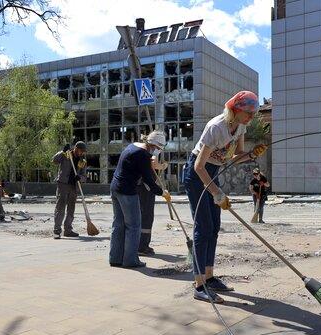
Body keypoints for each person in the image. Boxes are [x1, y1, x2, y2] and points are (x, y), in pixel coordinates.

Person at [183, 90, 268, 303]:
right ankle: (199, 284)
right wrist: (217, 193)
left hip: (214, 172)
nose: (250, 117)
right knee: (202, 228)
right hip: (196, 176)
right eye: (247, 112)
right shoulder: (216, 127)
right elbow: (198, 166)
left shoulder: (241, 126)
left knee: (214, 227)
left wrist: (251, 154)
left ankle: (209, 277)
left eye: (253, 112)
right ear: (235, 110)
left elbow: (235, 157)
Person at [109, 131, 171, 268]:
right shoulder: (143, 155)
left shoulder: (132, 146)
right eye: (159, 148)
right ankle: (130, 260)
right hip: (127, 191)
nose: (158, 151)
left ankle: (115, 258)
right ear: (154, 145)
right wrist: (162, 192)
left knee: (118, 224)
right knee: (134, 226)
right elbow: (149, 181)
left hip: (115, 188)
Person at [52, 141, 87, 239]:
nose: (81, 153)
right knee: (60, 208)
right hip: (63, 184)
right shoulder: (65, 155)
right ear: (75, 148)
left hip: (74, 187)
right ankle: (57, 231)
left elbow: (84, 176)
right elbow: (54, 160)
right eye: (80, 151)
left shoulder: (82, 161)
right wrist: (62, 151)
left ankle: (68, 230)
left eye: (83, 152)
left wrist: (80, 178)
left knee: (71, 209)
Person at [137, 150, 168, 256]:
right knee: (147, 216)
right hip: (146, 189)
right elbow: (153, 163)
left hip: (145, 188)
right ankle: (142, 246)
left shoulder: (143, 152)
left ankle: (143, 245)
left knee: (145, 216)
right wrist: (163, 166)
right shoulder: (151, 153)